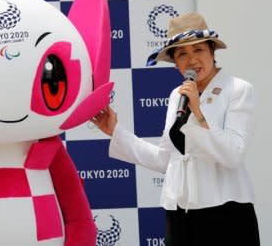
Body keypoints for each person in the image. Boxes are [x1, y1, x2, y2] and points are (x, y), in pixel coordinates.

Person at [92, 13, 260, 246]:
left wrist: (199, 113)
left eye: (198, 50)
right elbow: (165, 160)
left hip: (226, 214)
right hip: (180, 215)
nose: (192, 61)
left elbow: (233, 155)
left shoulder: (238, 89)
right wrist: (116, 131)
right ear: (175, 63)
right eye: (182, 54)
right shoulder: (176, 96)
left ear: (212, 51)